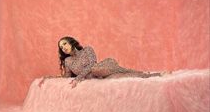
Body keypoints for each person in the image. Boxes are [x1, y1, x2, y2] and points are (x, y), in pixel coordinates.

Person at [39, 36, 169, 88]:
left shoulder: (87, 50)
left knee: (96, 69)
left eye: (65, 44)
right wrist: (49, 77)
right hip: (101, 77)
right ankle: (155, 75)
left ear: (71, 42)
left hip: (104, 67)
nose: (64, 48)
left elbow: (92, 65)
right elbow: (66, 77)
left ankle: (156, 74)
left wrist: (78, 78)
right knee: (126, 76)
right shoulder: (67, 61)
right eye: (61, 47)